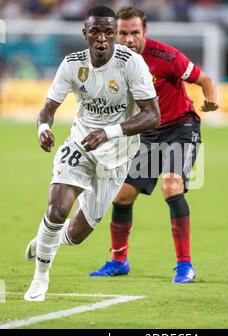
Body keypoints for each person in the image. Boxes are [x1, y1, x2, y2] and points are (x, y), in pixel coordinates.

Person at [23, 5, 160, 302]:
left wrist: (108, 133)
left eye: (109, 32)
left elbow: (152, 116)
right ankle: (40, 279)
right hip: (80, 145)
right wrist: (42, 129)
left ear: (114, 35)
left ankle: (45, 242)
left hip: (117, 156)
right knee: (57, 209)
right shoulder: (72, 64)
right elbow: (47, 110)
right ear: (85, 33)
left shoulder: (132, 64)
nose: (102, 38)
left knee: (75, 235)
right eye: (95, 31)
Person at [88, 6, 218, 283]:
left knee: (171, 187)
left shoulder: (167, 57)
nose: (129, 39)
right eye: (122, 33)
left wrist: (211, 99)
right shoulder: (110, 61)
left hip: (180, 128)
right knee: (122, 196)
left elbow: (205, 79)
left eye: (135, 33)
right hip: (146, 133)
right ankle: (118, 260)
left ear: (145, 32)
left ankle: (185, 266)